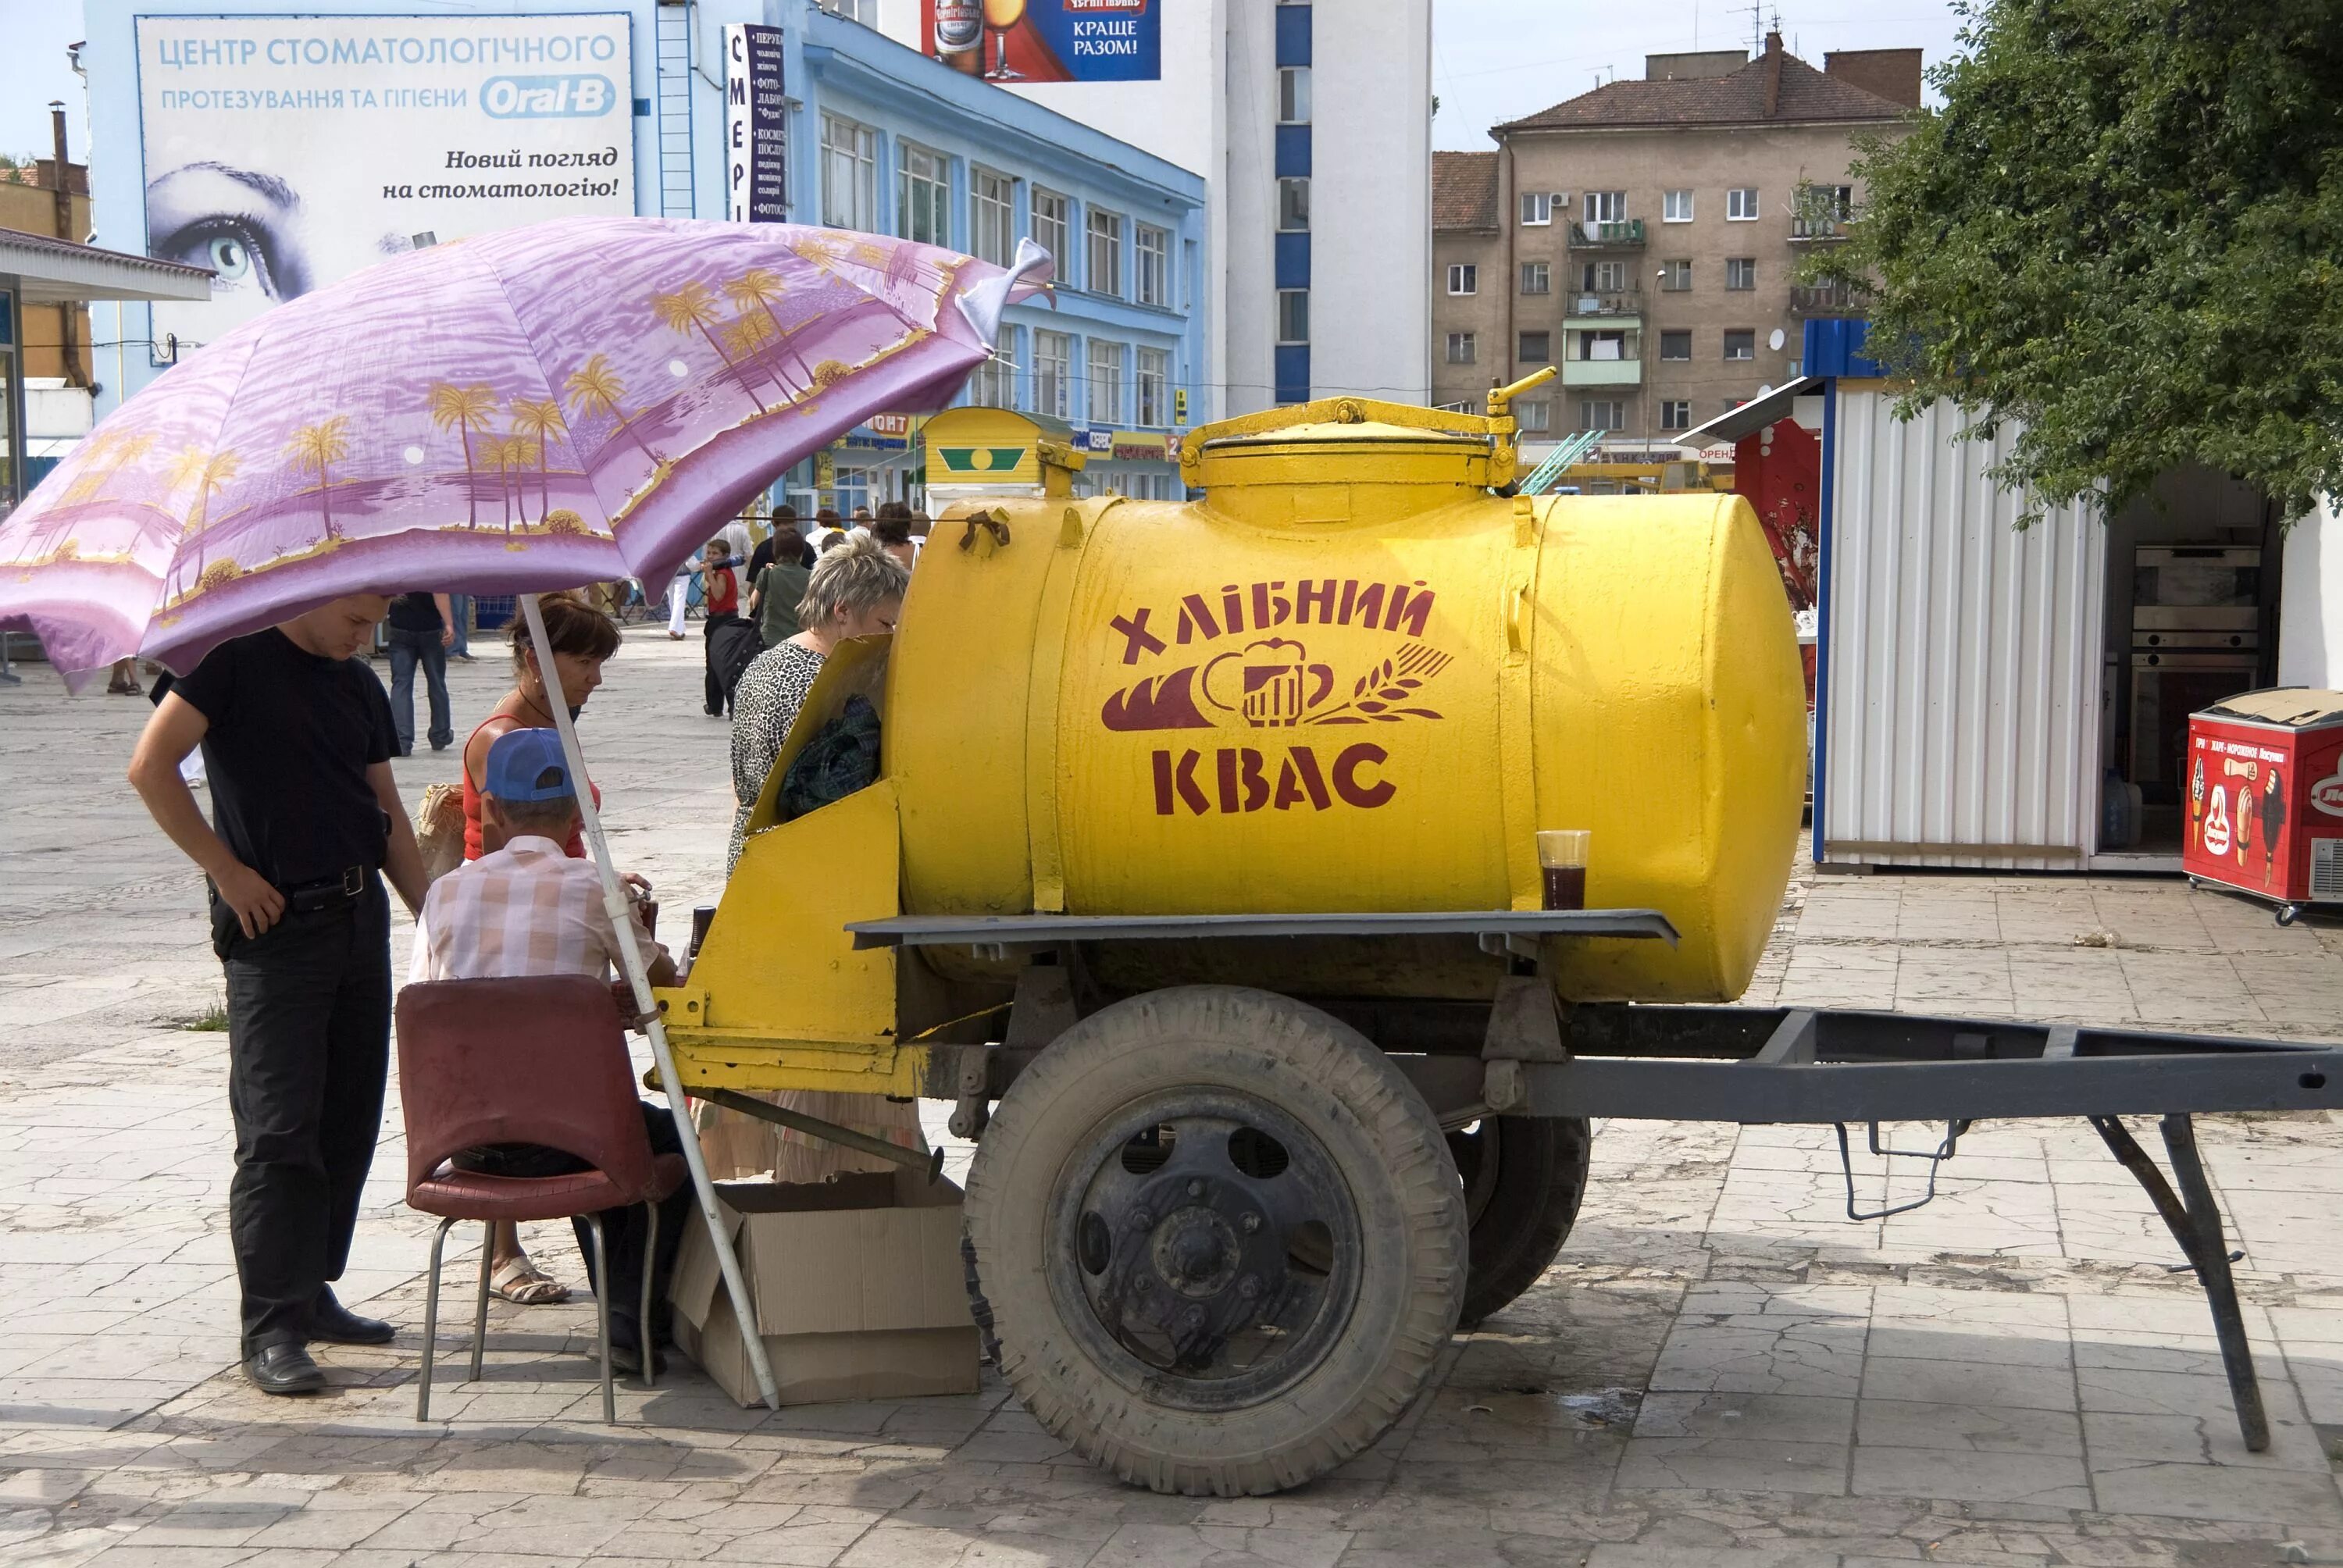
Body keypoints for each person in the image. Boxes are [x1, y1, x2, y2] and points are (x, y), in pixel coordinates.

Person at [126, 596, 430, 1395]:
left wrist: (435, 913)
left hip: (358, 920)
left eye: (376, 624)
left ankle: (313, 1288)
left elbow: (387, 813)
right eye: (359, 618)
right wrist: (225, 869)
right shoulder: (228, 659)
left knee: (347, 1114)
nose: (366, 636)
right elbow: (150, 768)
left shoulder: (355, 685)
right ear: (320, 592)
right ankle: (271, 1322)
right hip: (276, 928)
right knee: (278, 1128)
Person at [411, 728, 688, 1376]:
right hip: (574, 1137)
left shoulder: (446, 893)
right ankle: (629, 1323)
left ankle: (623, 1320)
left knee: (610, 1133)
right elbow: (663, 983)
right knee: (668, 1144)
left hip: (463, 1137)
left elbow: (425, 1000)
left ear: (495, 814)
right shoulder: (596, 888)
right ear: (575, 815)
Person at [706, 536, 915, 1182]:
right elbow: (813, 790)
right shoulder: (813, 677)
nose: (891, 637)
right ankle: (822, 1177)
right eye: (884, 623)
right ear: (844, 610)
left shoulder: (770, 664)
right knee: (816, 1041)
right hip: (800, 871)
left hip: (764, 860)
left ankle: (821, 1174)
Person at [456, 596, 624, 1306]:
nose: (592, 676)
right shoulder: (502, 737)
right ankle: (502, 1249)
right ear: (533, 659)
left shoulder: (552, 724)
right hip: (509, 924)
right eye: (581, 661)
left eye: (596, 663)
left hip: (560, 899)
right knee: (510, 1086)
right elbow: (509, 858)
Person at [385, 591, 455, 755]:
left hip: (400, 628)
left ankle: (402, 741)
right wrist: (449, 624)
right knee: (436, 682)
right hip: (430, 628)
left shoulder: (396, 565)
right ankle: (440, 735)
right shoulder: (431, 565)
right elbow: (440, 592)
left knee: (401, 684)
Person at [745, 526, 811, 648]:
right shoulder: (810, 577)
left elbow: (754, 603)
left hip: (770, 640)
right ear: (801, 552)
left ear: (775, 551)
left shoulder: (767, 574)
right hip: (800, 640)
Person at [700, 538, 743, 718]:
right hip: (723, 619)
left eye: (715, 553)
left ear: (725, 556)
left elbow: (718, 595)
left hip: (722, 620)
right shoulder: (723, 571)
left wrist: (709, 575)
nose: (710, 556)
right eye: (709, 553)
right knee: (723, 663)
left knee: (715, 664)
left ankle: (716, 704)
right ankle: (716, 704)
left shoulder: (723, 573)